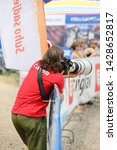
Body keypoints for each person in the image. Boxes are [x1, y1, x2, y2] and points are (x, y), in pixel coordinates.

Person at [11, 45, 78, 150]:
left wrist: (66, 75)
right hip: (32, 118)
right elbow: (60, 99)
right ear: (59, 61)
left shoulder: (36, 64)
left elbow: (46, 76)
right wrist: (63, 78)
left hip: (16, 115)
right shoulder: (57, 78)